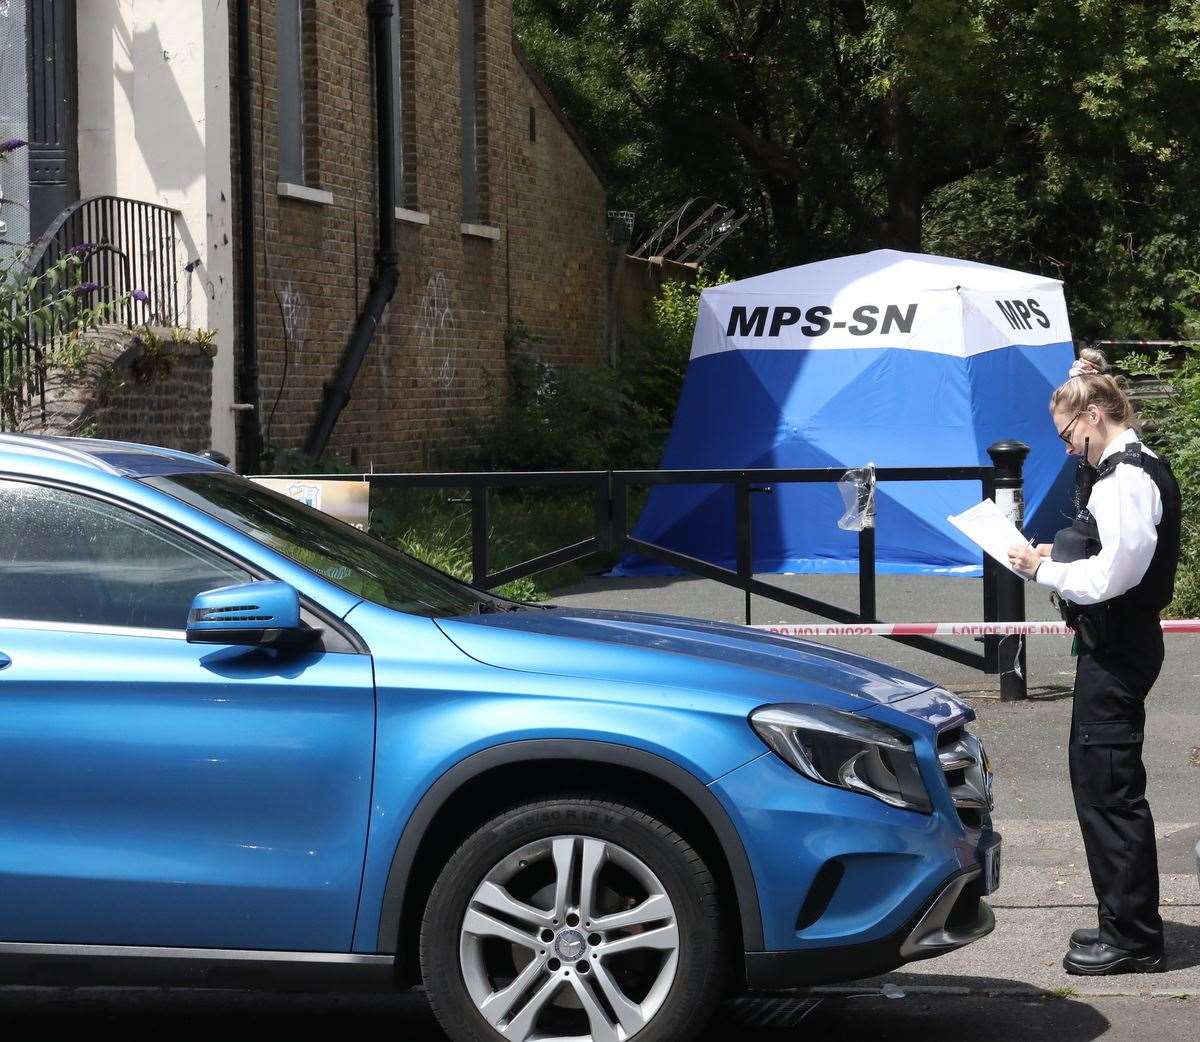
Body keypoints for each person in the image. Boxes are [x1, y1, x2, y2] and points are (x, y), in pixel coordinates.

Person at [1008, 347, 1181, 975]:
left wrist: (1042, 567)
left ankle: (1134, 939)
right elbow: (1111, 553)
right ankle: (1122, 921)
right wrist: (1064, 551)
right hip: (1116, 646)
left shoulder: (1126, 478)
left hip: (1119, 647)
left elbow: (1115, 574)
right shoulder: (1120, 469)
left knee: (1109, 790)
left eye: (1068, 434)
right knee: (1103, 785)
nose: (1066, 447)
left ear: (1097, 416)